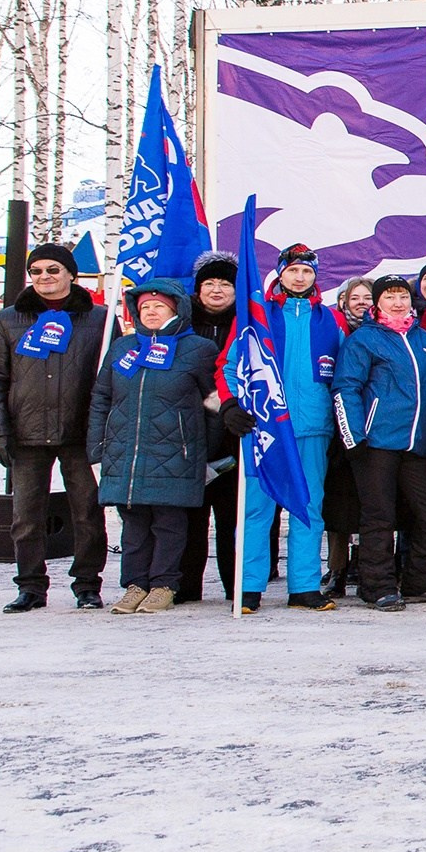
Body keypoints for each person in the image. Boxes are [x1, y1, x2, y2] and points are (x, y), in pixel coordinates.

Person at [0, 243, 111, 611]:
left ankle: (87, 584)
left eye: (53, 270)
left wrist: (105, 428)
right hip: (26, 431)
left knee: (87, 512)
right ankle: (31, 586)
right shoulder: (9, 319)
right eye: (37, 271)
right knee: (26, 516)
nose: (45, 278)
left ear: (71, 274)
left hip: (80, 431)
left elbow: (112, 378)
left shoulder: (99, 318)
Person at [88, 279, 225, 615]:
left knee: (168, 523)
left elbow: (214, 403)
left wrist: (202, 448)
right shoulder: (123, 348)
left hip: (176, 453)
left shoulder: (197, 349)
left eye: (159, 307)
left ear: (176, 310)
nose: (150, 312)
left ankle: (163, 585)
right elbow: (101, 397)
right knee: (133, 523)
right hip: (125, 452)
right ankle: (135, 585)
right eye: (145, 307)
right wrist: (97, 446)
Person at [332, 274, 426, 609]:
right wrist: (354, 436)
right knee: (378, 518)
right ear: (377, 303)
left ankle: (418, 581)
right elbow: (346, 388)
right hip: (376, 443)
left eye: (403, 297)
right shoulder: (365, 340)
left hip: (418, 445)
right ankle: (377, 586)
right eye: (390, 297)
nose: (398, 303)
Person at [239, 242, 342, 611]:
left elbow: (342, 373)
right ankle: (248, 587)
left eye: (307, 271)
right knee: (257, 508)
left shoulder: (329, 318)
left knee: (308, 505)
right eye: (293, 270)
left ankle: (303, 586)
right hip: (265, 427)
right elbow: (234, 363)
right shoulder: (258, 314)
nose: (300, 277)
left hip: (312, 426)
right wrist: (237, 405)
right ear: (280, 273)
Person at [176, 252, 242, 603]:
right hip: (189, 432)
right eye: (210, 283)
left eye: (226, 284)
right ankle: (187, 586)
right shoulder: (181, 325)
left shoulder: (247, 325)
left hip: (234, 433)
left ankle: (238, 585)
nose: (217, 290)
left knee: (233, 515)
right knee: (191, 516)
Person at [323, 277, 374, 595]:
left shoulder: (385, 332)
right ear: (343, 301)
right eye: (354, 297)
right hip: (337, 427)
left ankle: (368, 564)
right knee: (339, 505)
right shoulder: (334, 330)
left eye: (368, 297)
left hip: (374, 425)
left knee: (374, 503)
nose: (361, 302)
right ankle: (337, 569)